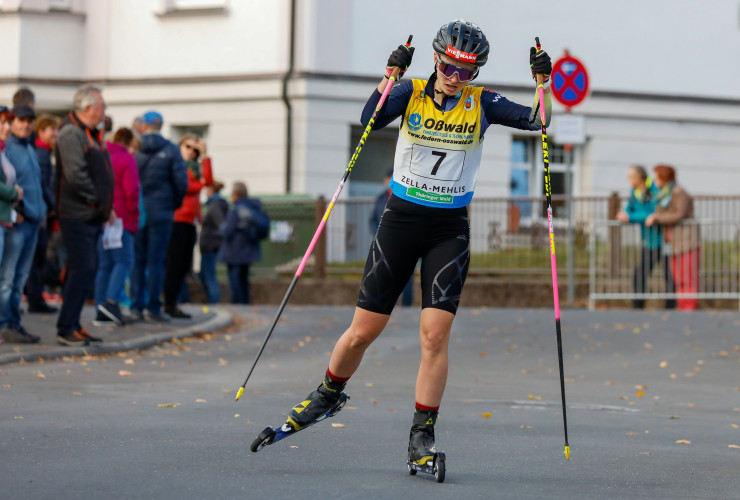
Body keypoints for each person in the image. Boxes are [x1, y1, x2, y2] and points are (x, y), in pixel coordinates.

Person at [272, 19, 552, 467]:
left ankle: (422, 434)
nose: (455, 77)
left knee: (434, 336)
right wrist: (390, 74)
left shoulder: (484, 103)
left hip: (449, 228)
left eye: (466, 70)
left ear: (476, 73)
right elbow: (370, 119)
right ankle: (327, 394)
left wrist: (544, 82)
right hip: (400, 222)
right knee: (364, 330)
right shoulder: (411, 93)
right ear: (435, 59)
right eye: (448, 65)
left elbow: (538, 120)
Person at [54, 85, 114, 346]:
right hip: (77, 214)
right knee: (82, 268)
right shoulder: (71, 133)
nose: (104, 110)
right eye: (102, 106)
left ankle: (74, 325)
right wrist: (96, 201)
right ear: (88, 108)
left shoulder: (89, 133)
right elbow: (75, 175)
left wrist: (103, 207)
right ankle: (66, 327)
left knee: (87, 269)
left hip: (91, 214)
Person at [130, 111, 187, 322]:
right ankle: (154, 308)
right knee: (156, 261)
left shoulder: (135, 148)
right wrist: (173, 204)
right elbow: (181, 182)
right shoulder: (171, 149)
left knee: (138, 261)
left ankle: (136, 306)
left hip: (138, 211)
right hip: (162, 212)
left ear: (143, 126)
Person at [0, 104, 46, 343]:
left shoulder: (30, 148)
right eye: (20, 120)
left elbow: (35, 184)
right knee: (9, 277)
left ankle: (14, 322)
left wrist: (44, 209)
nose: (25, 125)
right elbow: (10, 185)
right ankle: (5, 323)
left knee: (20, 278)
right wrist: (18, 208)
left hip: (33, 220)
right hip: (17, 221)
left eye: (29, 120)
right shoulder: (8, 149)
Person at [93, 127, 140, 326]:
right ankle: (111, 303)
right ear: (130, 142)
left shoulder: (103, 155)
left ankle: (100, 307)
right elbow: (132, 190)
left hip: (104, 215)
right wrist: (134, 211)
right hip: (122, 218)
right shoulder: (126, 159)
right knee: (124, 261)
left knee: (105, 264)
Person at [163, 135, 212, 319]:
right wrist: (200, 184)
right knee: (174, 263)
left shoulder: (195, 168)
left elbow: (207, 180)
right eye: (188, 147)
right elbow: (188, 187)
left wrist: (205, 157)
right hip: (178, 218)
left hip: (190, 219)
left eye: (195, 149)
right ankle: (168, 303)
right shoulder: (176, 165)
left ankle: (173, 303)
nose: (191, 151)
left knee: (184, 264)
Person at [616, 165, 675, 309]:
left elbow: (652, 213)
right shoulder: (635, 192)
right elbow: (630, 207)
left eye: (630, 176)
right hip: (648, 240)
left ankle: (670, 305)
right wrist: (623, 213)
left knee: (668, 274)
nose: (628, 180)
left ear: (639, 178)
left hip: (663, 239)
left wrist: (630, 217)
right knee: (640, 273)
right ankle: (638, 304)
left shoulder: (654, 189)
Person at [646, 165, 700, 311]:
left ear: (664, 178)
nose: (654, 179)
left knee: (688, 276)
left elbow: (680, 213)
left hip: (686, 240)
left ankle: (689, 306)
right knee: (678, 276)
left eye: (657, 176)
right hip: (672, 241)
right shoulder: (664, 194)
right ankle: (683, 304)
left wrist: (657, 217)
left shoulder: (678, 192)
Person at [25, 114, 61, 314]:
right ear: (41, 131)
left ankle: (35, 297)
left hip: (42, 210)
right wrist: (53, 205)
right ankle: (35, 299)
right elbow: (43, 184)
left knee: (38, 258)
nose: (55, 133)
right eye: (51, 129)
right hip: (40, 212)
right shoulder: (41, 153)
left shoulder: (42, 152)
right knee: (37, 258)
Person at [218, 181, 269, 304]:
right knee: (244, 280)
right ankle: (245, 305)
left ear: (235, 194)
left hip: (234, 252)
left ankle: (238, 306)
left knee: (235, 282)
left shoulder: (236, 209)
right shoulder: (253, 207)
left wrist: (221, 228)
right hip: (249, 251)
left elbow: (228, 231)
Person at [370, 168, 414, 306]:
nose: (390, 181)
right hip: (384, 242)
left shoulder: (406, 196)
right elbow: (372, 219)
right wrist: (377, 234)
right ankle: (382, 304)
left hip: (405, 241)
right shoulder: (380, 198)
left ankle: (407, 305)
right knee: (383, 273)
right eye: (389, 178)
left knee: (406, 274)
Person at [0, 106, 24, 344]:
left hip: (6, 220)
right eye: (2, 123)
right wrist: (13, 192)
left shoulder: (4, 151)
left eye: (8, 123)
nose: (6, 128)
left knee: (6, 277)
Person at [199, 180, 228, 304]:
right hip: (209, 245)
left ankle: (214, 303)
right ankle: (212, 301)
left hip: (210, 245)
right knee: (204, 275)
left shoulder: (214, 206)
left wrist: (213, 239)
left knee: (209, 275)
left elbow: (221, 225)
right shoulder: (213, 204)